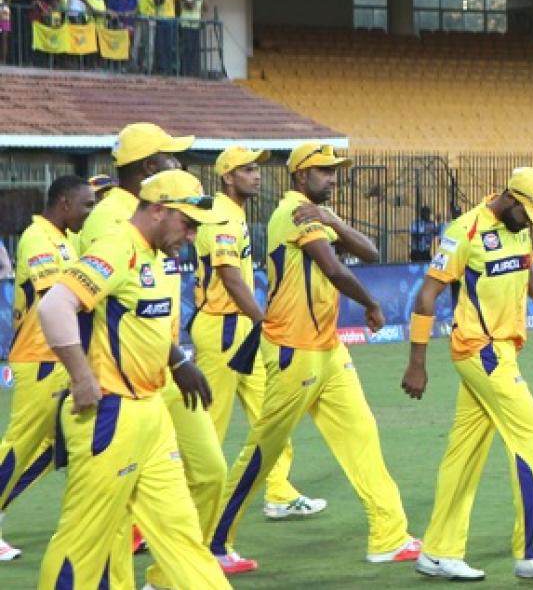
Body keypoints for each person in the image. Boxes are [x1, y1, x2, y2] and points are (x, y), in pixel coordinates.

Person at [208, 143, 421, 569]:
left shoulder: (317, 214)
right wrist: (371, 304)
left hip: (327, 349)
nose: (333, 178)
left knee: (362, 436)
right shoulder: (293, 212)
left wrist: (333, 220)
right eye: (324, 171)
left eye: (335, 170)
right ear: (301, 176)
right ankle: (212, 544)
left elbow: (371, 253)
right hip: (294, 350)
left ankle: (389, 536)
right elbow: (334, 269)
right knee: (263, 451)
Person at [35, 169, 230, 590]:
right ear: (158, 210)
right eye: (188, 224)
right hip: (109, 413)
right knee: (84, 543)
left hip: (151, 414)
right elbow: (54, 306)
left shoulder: (155, 256)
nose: (192, 236)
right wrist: (81, 377)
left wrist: (178, 362)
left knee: (182, 536)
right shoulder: (118, 247)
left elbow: (142, 326)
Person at [402, 167, 533, 582]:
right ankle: (532, 552)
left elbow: (531, 278)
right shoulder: (465, 231)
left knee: (463, 456)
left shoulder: (519, 227)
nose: (531, 223)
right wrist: (417, 363)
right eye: (528, 214)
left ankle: (438, 551)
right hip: (483, 352)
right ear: (510, 198)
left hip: (502, 350)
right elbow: (427, 294)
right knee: (532, 444)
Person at [79, 123, 234, 584]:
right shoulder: (114, 220)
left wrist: (176, 358)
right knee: (111, 502)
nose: (179, 164)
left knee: (209, 472)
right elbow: (112, 308)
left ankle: (166, 577)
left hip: (162, 372)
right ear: (150, 167)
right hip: (122, 378)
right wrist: (178, 358)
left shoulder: (171, 218)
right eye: (171, 157)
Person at [190, 146, 326, 522]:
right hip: (223, 328)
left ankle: (278, 491)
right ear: (227, 177)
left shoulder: (233, 214)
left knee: (274, 414)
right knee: (209, 427)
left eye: (256, 169)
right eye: (247, 169)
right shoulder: (221, 218)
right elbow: (229, 277)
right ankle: (184, 510)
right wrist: (263, 321)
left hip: (239, 327)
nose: (257, 175)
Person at [0, 174, 94, 562]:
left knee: (55, 448)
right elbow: (58, 296)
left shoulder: (65, 239)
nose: (90, 213)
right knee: (21, 443)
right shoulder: (37, 238)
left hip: (58, 356)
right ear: (64, 203)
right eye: (87, 205)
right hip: (39, 357)